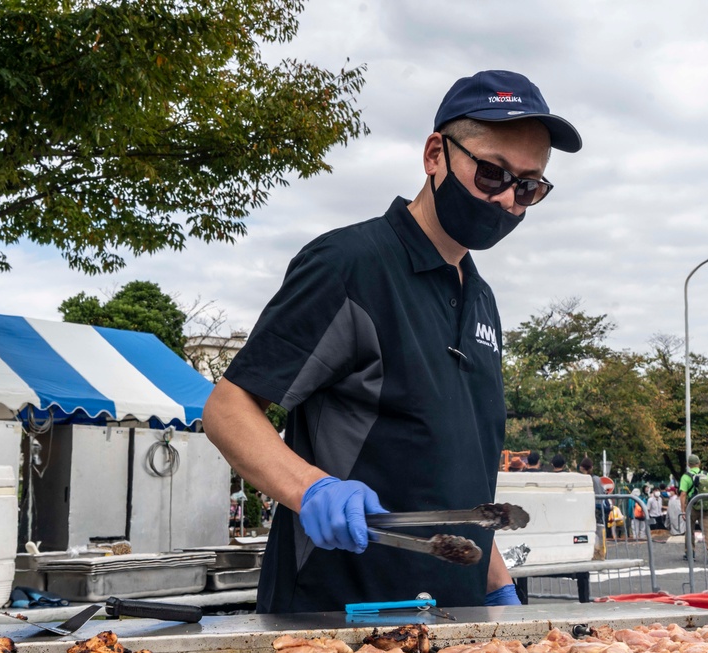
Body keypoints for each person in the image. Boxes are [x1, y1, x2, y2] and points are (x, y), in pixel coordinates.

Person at [202, 69, 581, 613]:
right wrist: (311, 488)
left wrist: (496, 583)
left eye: (528, 187)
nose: (506, 202)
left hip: (459, 622)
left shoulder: (481, 299)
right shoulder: (349, 266)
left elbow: (458, 476)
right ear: (435, 155)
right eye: (492, 174)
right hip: (337, 618)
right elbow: (228, 407)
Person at [680, 454, 708, 565]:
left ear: (688, 464)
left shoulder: (686, 477)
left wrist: (683, 510)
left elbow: (683, 494)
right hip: (706, 507)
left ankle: (690, 553)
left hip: (692, 506)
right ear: (699, 463)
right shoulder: (706, 475)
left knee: (690, 530)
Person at [580, 456, 609, 560]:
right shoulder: (597, 479)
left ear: (581, 468)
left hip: (589, 508)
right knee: (600, 531)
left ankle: (592, 553)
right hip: (600, 507)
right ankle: (601, 553)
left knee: (590, 531)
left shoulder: (583, 480)